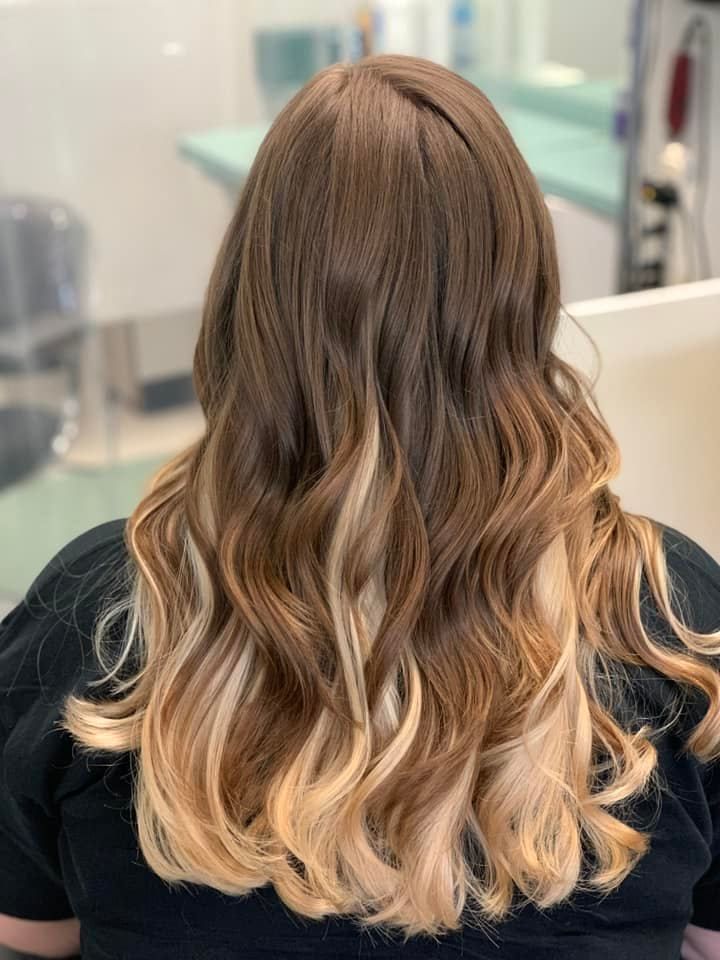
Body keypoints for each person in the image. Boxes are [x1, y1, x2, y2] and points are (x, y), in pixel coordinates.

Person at [1, 55, 719, 960]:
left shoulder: (93, 617)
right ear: (524, 295)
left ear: (250, 296)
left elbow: (31, 933)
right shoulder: (675, 625)